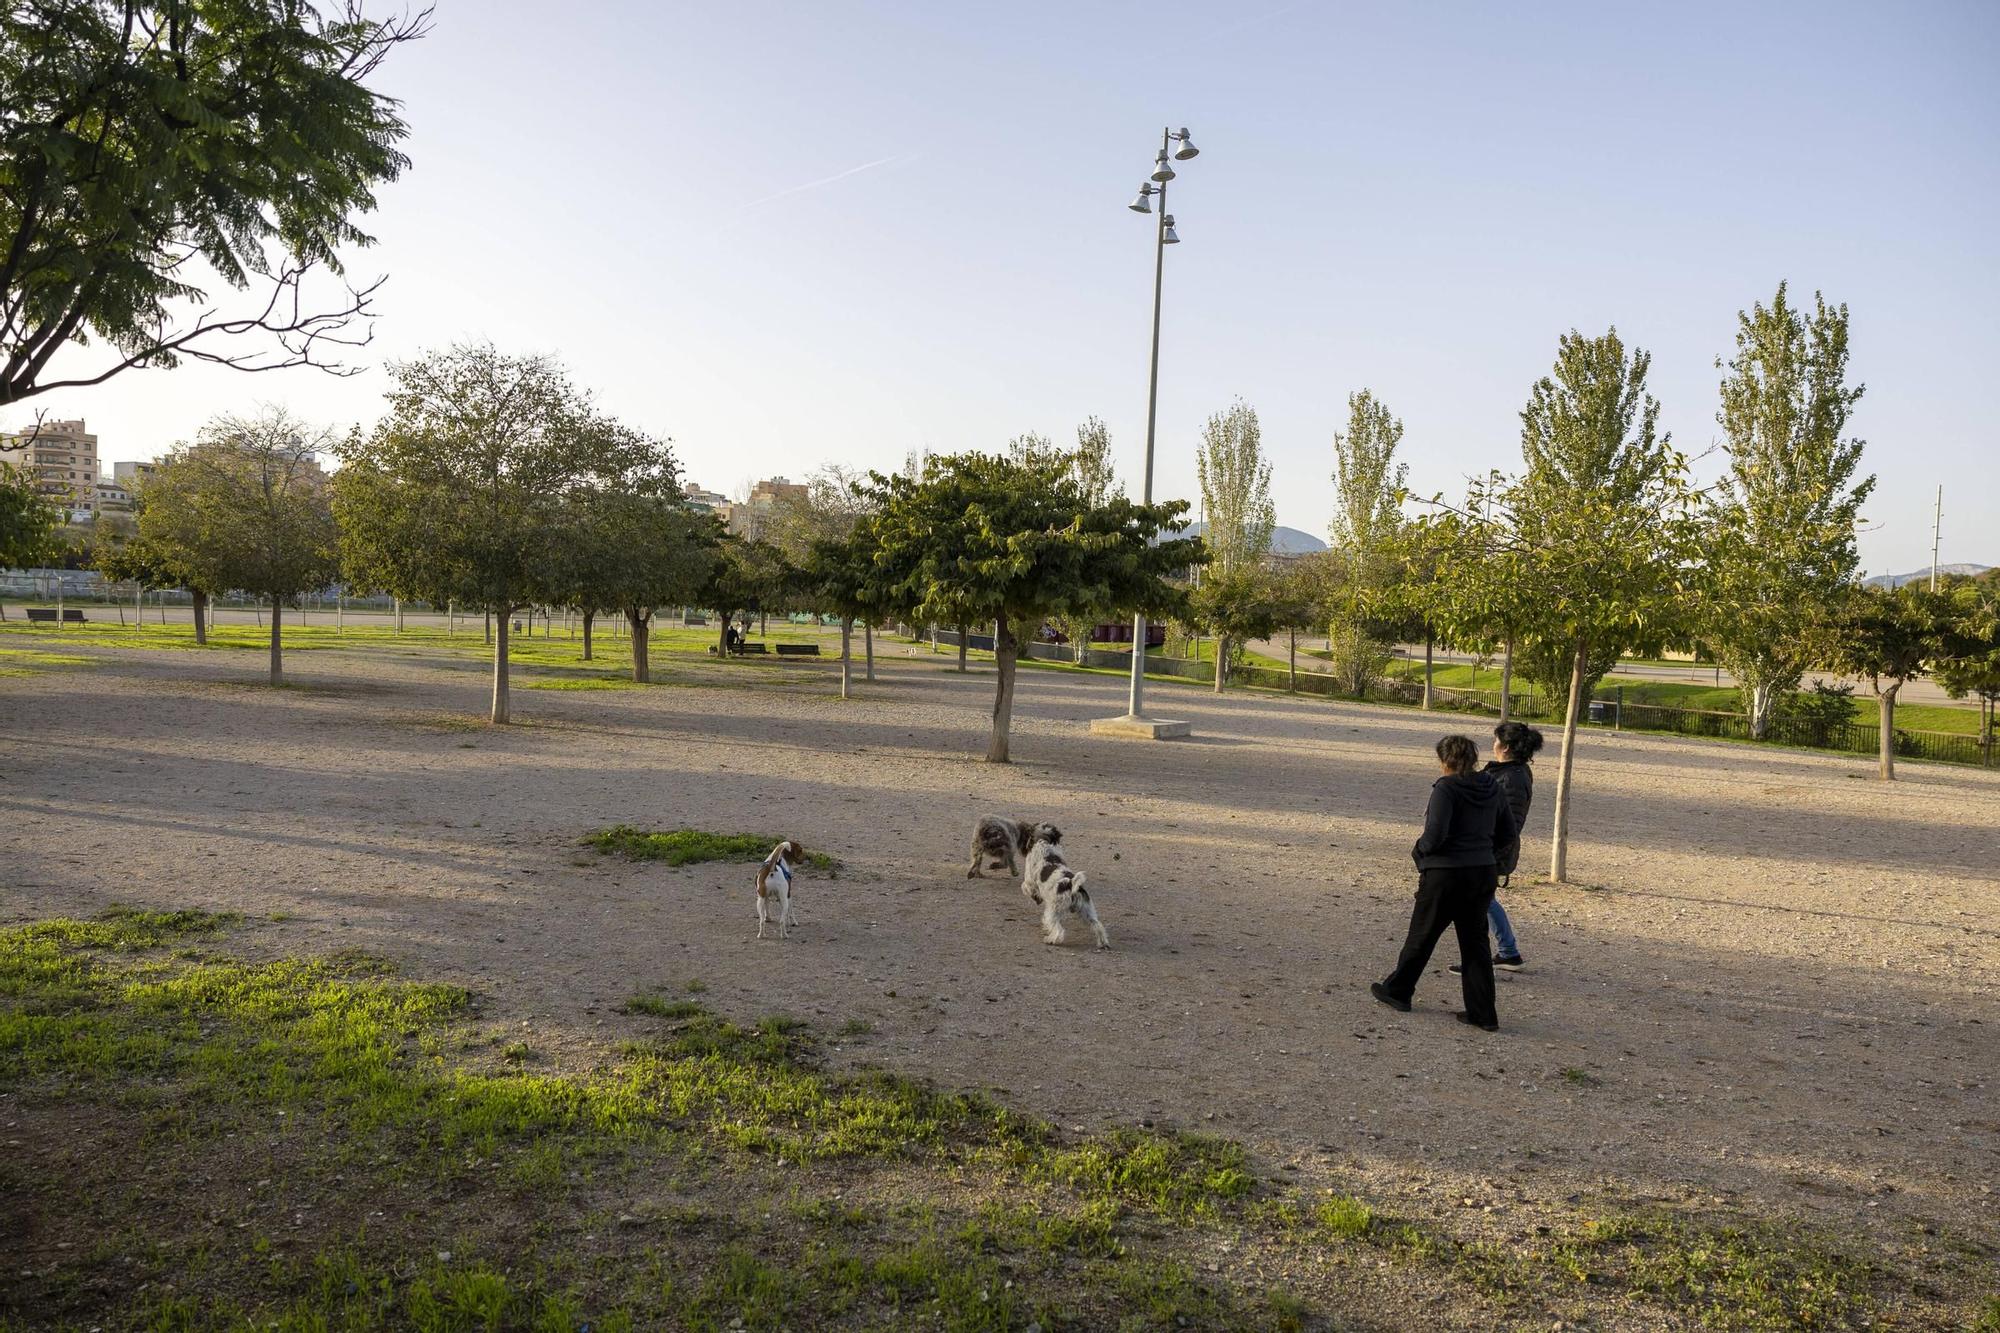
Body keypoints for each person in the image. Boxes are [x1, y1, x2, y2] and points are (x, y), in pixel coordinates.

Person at [1371, 734, 1520, 1032]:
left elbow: (1435, 834)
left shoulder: (1446, 788)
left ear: (1443, 760)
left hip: (1446, 874)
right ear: (1474, 758)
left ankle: (1399, 991)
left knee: (1422, 935)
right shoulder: (1492, 786)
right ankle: (1482, 1013)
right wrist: (1485, 853)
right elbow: (1508, 832)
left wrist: (1420, 851)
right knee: (1476, 943)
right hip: (1481, 872)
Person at [1450, 720, 1545, 975]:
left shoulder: (1512, 778)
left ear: (1504, 746)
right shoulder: (1508, 772)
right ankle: (1508, 952)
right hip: (1486, 848)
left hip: (1490, 851)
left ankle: (1487, 957)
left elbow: (1510, 823)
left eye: (1496, 740)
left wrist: (1488, 851)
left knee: (1477, 902)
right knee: (1484, 900)